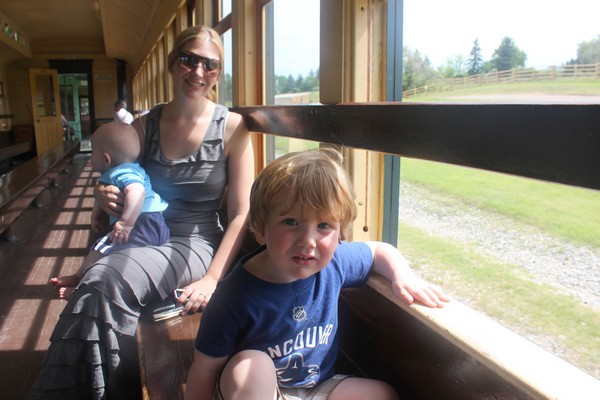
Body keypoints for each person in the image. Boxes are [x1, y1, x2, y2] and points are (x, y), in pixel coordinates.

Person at [29, 25, 254, 400]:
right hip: (146, 233)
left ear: (218, 74)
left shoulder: (232, 128)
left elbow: (241, 213)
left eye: (210, 66)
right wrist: (103, 194)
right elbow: (116, 176)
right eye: (188, 60)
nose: (198, 73)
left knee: (103, 280)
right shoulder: (145, 125)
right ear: (171, 64)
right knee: (99, 281)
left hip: (195, 242)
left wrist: (213, 278)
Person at [185, 148, 449, 400]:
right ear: (260, 228)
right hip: (255, 390)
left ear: (340, 235)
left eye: (324, 225)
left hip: (316, 386)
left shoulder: (335, 262)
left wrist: (404, 277)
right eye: (291, 222)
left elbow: (380, 250)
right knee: (250, 366)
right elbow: (204, 368)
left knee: (382, 394)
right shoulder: (233, 297)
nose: (308, 241)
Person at [50, 122, 169, 300]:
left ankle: (81, 287)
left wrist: (125, 224)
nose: (90, 157)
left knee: (101, 251)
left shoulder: (121, 173)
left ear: (106, 159)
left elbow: (137, 192)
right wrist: (95, 217)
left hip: (141, 223)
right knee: (103, 249)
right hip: (153, 223)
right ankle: (79, 277)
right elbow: (101, 199)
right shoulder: (128, 169)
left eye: (92, 153)